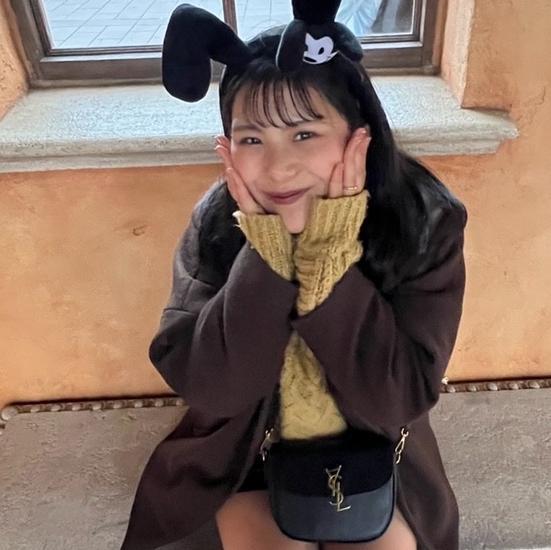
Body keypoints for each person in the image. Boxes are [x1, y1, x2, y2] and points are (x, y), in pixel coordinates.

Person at [121, 2, 468, 549]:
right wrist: (267, 250)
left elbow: (396, 397)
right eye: (251, 139)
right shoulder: (218, 221)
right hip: (243, 454)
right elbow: (214, 389)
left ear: (358, 132)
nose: (278, 167)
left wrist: (328, 248)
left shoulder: (422, 218)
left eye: (304, 134)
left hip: (378, 446)